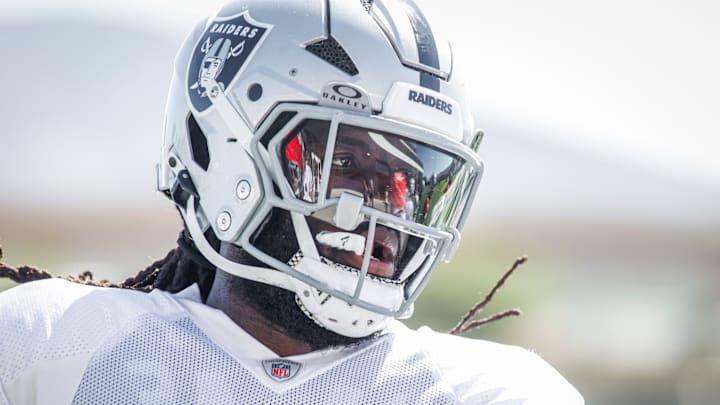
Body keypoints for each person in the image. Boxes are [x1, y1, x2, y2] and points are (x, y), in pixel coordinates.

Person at [0, 0, 583, 403]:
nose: (388, 213)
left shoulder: (490, 393)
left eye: (410, 182)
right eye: (346, 164)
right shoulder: (47, 346)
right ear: (225, 151)